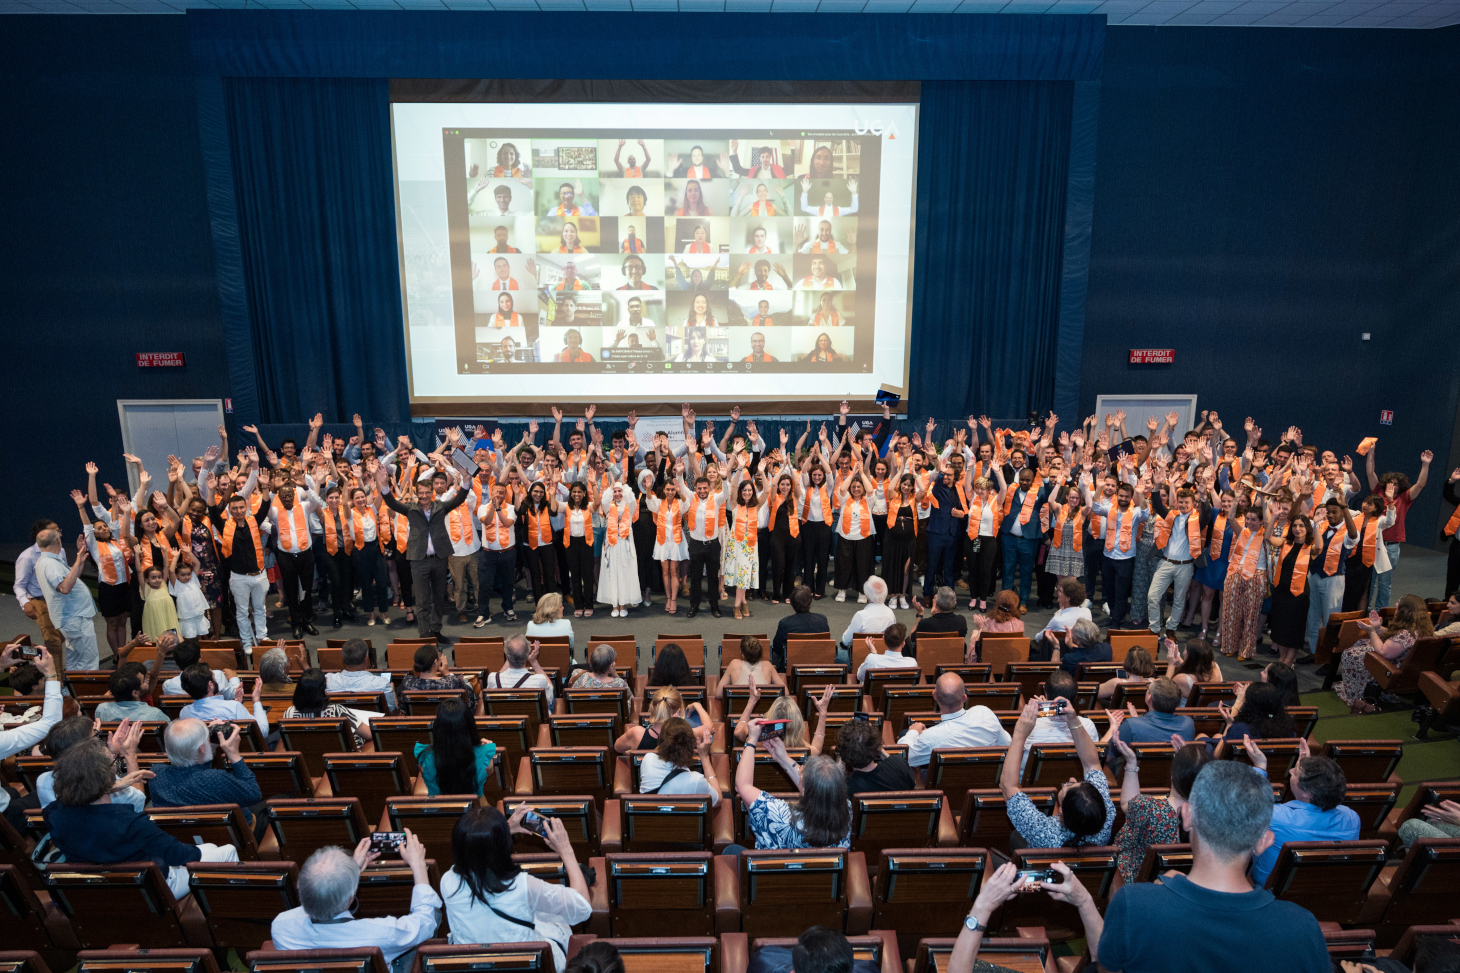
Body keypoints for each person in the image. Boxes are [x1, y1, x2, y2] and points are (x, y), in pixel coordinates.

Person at [1071, 761, 1332, 973]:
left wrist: (1084, 901)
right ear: (1264, 842)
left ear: (1186, 817)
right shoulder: (1303, 928)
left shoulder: (1133, 905)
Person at [45, 738, 239, 899]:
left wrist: (116, 785)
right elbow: (181, 856)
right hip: (150, 888)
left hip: (99, 887)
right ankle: (226, 910)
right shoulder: (130, 823)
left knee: (211, 849)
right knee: (227, 851)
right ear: (107, 775)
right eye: (115, 761)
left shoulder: (53, 813)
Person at [440, 806, 591, 970]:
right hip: (525, 966)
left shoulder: (447, 882)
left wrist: (501, 831)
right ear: (505, 846)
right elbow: (583, 908)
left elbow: (474, 854)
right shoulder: (523, 885)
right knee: (554, 919)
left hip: (473, 965)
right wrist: (566, 850)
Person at [272, 835, 440, 973]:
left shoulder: (280, 927)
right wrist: (418, 865)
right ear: (350, 899)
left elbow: (317, 900)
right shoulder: (381, 933)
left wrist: (351, 872)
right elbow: (425, 922)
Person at [1001, 696, 1115, 848]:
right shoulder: (1106, 817)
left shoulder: (1042, 831)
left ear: (1060, 812)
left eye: (1069, 786)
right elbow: (1092, 764)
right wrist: (1073, 720)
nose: (1073, 779)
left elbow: (1008, 786)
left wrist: (1019, 734)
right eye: (1079, 783)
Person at [377, 457, 469, 644]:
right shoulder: (410, 509)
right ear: (417, 493)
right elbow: (392, 503)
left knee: (438, 597)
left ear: (432, 492)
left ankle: (436, 630)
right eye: (421, 493)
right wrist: (384, 484)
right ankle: (424, 634)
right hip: (419, 561)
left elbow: (459, 498)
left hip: (439, 559)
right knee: (422, 599)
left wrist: (466, 482)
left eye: (428, 492)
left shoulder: (440, 506)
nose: (425, 495)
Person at [1248, 738, 1358, 885]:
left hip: (1266, 890)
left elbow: (1241, 804)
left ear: (1307, 792)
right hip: (1318, 889)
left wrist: (1260, 767)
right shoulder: (1351, 817)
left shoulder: (1276, 817)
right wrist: (1306, 767)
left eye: (1296, 772)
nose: (1291, 771)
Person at [735, 718, 850, 850]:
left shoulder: (780, 816)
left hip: (776, 868)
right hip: (821, 869)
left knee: (732, 850)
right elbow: (815, 790)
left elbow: (742, 786)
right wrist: (783, 758)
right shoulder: (847, 811)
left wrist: (751, 741)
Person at [1108, 738, 1212, 883]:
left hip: (1137, 883)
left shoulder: (1148, 808)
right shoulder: (1212, 816)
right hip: (1186, 885)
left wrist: (1131, 762)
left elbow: (1126, 802)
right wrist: (1186, 761)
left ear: (1172, 775)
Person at [151, 718, 266, 835]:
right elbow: (254, 794)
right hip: (237, 835)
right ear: (202, 748)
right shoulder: (215, 779)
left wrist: (207, 746)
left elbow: (195, 771)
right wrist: (234, 755)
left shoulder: (155, 774)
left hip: (184, 839)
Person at [1336, 594, 1434, 712]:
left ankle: (1356, 695)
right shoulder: (1420, 627)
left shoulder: (1405, 634)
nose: (1396, 604)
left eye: (1399, 603)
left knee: (1350, 655)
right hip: (1406, 667)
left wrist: (1372, 632)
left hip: (1391, 669)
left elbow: (1384, 652)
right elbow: (1393, 637)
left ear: (1405, 611)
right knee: (1362, 642)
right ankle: (1367, 687)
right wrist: (1378, 628)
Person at [0, 644, 62, 831]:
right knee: (52, 788)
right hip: (4, 824)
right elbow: (50, 723)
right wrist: (51, 674)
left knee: (11, 791)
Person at [1364, 443, 1432, 609]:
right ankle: (1364, 611)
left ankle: (1380, 613)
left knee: (1385, 584)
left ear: (1400, 486)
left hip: (1392, 546)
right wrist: (1371, 453)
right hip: (1373, 542)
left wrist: (1425, 464)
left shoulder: (1405, 497)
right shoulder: (1378, 491)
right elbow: (1369, 472)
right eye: (1390, 482)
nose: (1392, 485)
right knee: (1369, 582)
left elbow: (1421, 484)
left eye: (1396, 483)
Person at [898, 672, 1012, 769]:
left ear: (934, 695)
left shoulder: (930, 738)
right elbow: (1007, 744)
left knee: (904, 734)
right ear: (964, 698)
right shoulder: (984, 712)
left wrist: (913, 731)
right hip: (987, 781)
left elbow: (903, 756)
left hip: (943, 788)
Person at [33, 528, 100, 669]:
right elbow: (65, 588)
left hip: (72, 618)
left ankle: (70, 689)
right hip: (75, 618)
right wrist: (77, 561)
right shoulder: (50, 563)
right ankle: (85, 690)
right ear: (58, 540)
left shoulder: (49, 561)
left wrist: (80, 562)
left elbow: (72, 580)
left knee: (76, 658)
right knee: (88, 661)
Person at [1089, 479, 1151, 629]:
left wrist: (1141, 494)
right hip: (1108, 556)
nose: (1123, 499)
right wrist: (1098, 488)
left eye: (1126, 496)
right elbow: (1096, 508)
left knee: (1121, 593)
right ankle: (1113, 617)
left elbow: (1145, 513)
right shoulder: (1110, 508)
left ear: (1130, 498)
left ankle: (1117, 622)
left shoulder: (1135, 512)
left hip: (1126, 559)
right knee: (1109, 591)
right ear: (1117, 495)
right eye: (1121, 496)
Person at [1104, 677, 1195, 774]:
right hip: (1173, 781)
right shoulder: (1188, 724)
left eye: (1148, 690)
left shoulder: (1131, 726)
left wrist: (1113, 727)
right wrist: (1136, 720)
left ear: (1149, 698)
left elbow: (1105, 757)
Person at [416, 697, 496, 796]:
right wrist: (485, 748)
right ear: (470, 725)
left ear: (438, 726)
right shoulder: (485, 754)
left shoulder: (424, 757)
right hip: (473, 809)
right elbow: (488, 772)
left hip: (439, 809)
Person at [1019, 671, 1098, 773]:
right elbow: (1093, 763)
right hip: (1078, 786)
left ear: (1045, 693)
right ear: (1075, 696)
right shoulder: (1088, 725)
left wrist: (1044, 709)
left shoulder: (1028, 725)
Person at [285, 667, 373, 747]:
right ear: (323, 691)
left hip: (306, 761)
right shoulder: (337, 711)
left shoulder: (289, 713)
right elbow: (369, 734)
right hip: (338, 761)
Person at [639, 716, 720, 802]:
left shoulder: (648, 759)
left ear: (661, 741)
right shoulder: (696, 781)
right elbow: (718, 800)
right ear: (691, 747)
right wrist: (704, 756)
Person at [178, 661, 269, 737]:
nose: (216, 680)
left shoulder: (184, 713)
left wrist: (236, 704)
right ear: (210, 685)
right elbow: (262, 732)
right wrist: (256, 700)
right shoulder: (233, 707)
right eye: (214, 677)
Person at [598, 480, 642, 617]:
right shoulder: (608, 506)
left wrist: (624, 485)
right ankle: (614, 604)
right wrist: (611, 486)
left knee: (624, 572)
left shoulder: (629, 505)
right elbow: (604, 500)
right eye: (615, 491)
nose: (617, 494)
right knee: (612, 572)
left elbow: (630, 497)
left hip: (625, 543)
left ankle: (623, 604)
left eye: (619, 491)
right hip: (611, 544)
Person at [837, 716, 916, 794]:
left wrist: (843, 753)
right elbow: (911, 784)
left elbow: (834, 781)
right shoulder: (900, 765)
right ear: (876, 746)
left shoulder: (846, 787)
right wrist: (876, 743)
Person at [326, 637, 397, 711]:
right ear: (366, 658)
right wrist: (393, 691)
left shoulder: (327, 681)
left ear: (343, 659)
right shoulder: (383, 684)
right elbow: (391, 713)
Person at [771, 586, 830, 671]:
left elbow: (777, 648)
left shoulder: (785, 623)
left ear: (791, 603)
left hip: (791, 669)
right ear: (810, 601)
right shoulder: (822, 620)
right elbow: (825, 645)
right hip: (817, 667)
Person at [483, 635, 554, 705]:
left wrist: (510, 656)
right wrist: (534, 662)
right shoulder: (539, 680)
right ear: (527, 654)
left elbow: (498, 677)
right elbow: (550, 695)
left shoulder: (492, 678)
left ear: (507, 655)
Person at [97, 660, 170, 723]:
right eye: (143, 681)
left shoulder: (101, 709)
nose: (147, 681)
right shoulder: (156, 714)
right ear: (135, 693)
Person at [907, 586, 969, 658]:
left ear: (936, 604)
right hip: (951, 660)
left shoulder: (925, 623)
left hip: (928, 660)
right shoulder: (961, 621)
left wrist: (920, 615)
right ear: (955, 604)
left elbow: (911, 639)